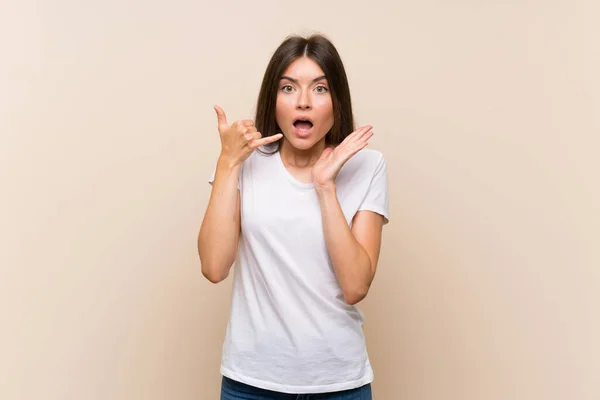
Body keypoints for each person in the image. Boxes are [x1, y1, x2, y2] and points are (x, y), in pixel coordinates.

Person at [198, 33, 389, 400]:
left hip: (338, 383)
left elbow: (355, 286)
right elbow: (214, 266)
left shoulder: (367, 166)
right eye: (289, 88)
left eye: (319, 89)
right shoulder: (244, 162)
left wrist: (325, 186)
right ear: (274, 99)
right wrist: (228, 163)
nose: (303, 102)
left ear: (336, 101)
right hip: (251, 382)